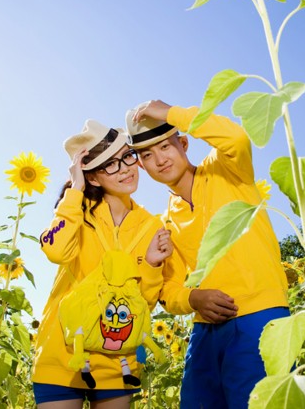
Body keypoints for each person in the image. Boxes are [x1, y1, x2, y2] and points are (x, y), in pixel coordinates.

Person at [125, 100, 289, 409]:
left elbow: (237, 138)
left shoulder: (227, 169)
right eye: (147, 155)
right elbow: (168, 290)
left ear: (184, 143)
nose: (159, 160)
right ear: (142, 168)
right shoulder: (165, 224)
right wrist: (193, 299)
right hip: (205, 332)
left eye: (165, 147)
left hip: (261, 317)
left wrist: (172, 113)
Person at [32, 119, 173, 409]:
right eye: (110, 165)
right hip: (64, 353)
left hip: (118, 362)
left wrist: (151, 265)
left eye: (127, 157)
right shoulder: (76, 212)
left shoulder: (152, 225)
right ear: (93, 178)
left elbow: (143, 302)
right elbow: (55, 250)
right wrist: (75, 190)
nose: (125, 169)